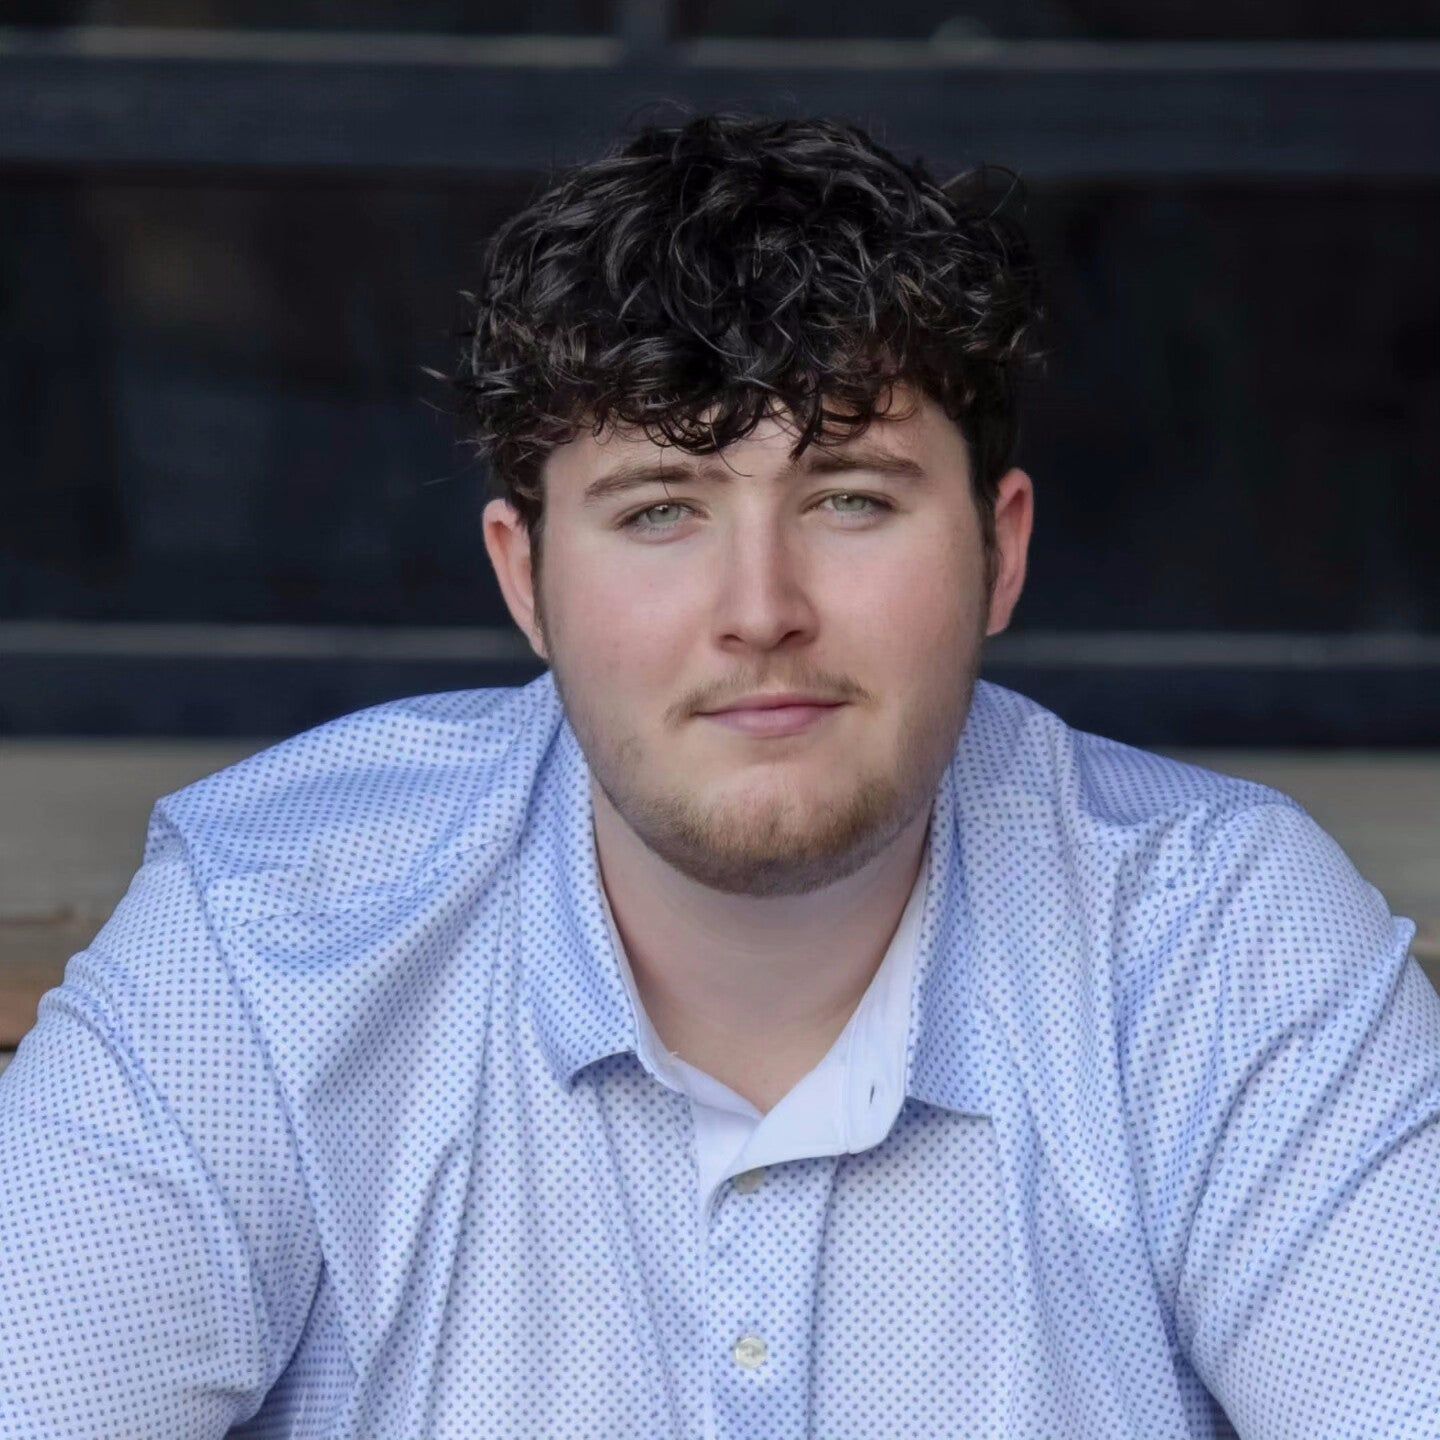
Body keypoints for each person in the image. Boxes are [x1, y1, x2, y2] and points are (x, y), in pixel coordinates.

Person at [1, 112, 1437, 1440]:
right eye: (661, 510)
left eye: (852, 499)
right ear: (527, 577)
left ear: (1000, 551)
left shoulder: (1218, 944)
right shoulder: (261, 950)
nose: (761, 608)